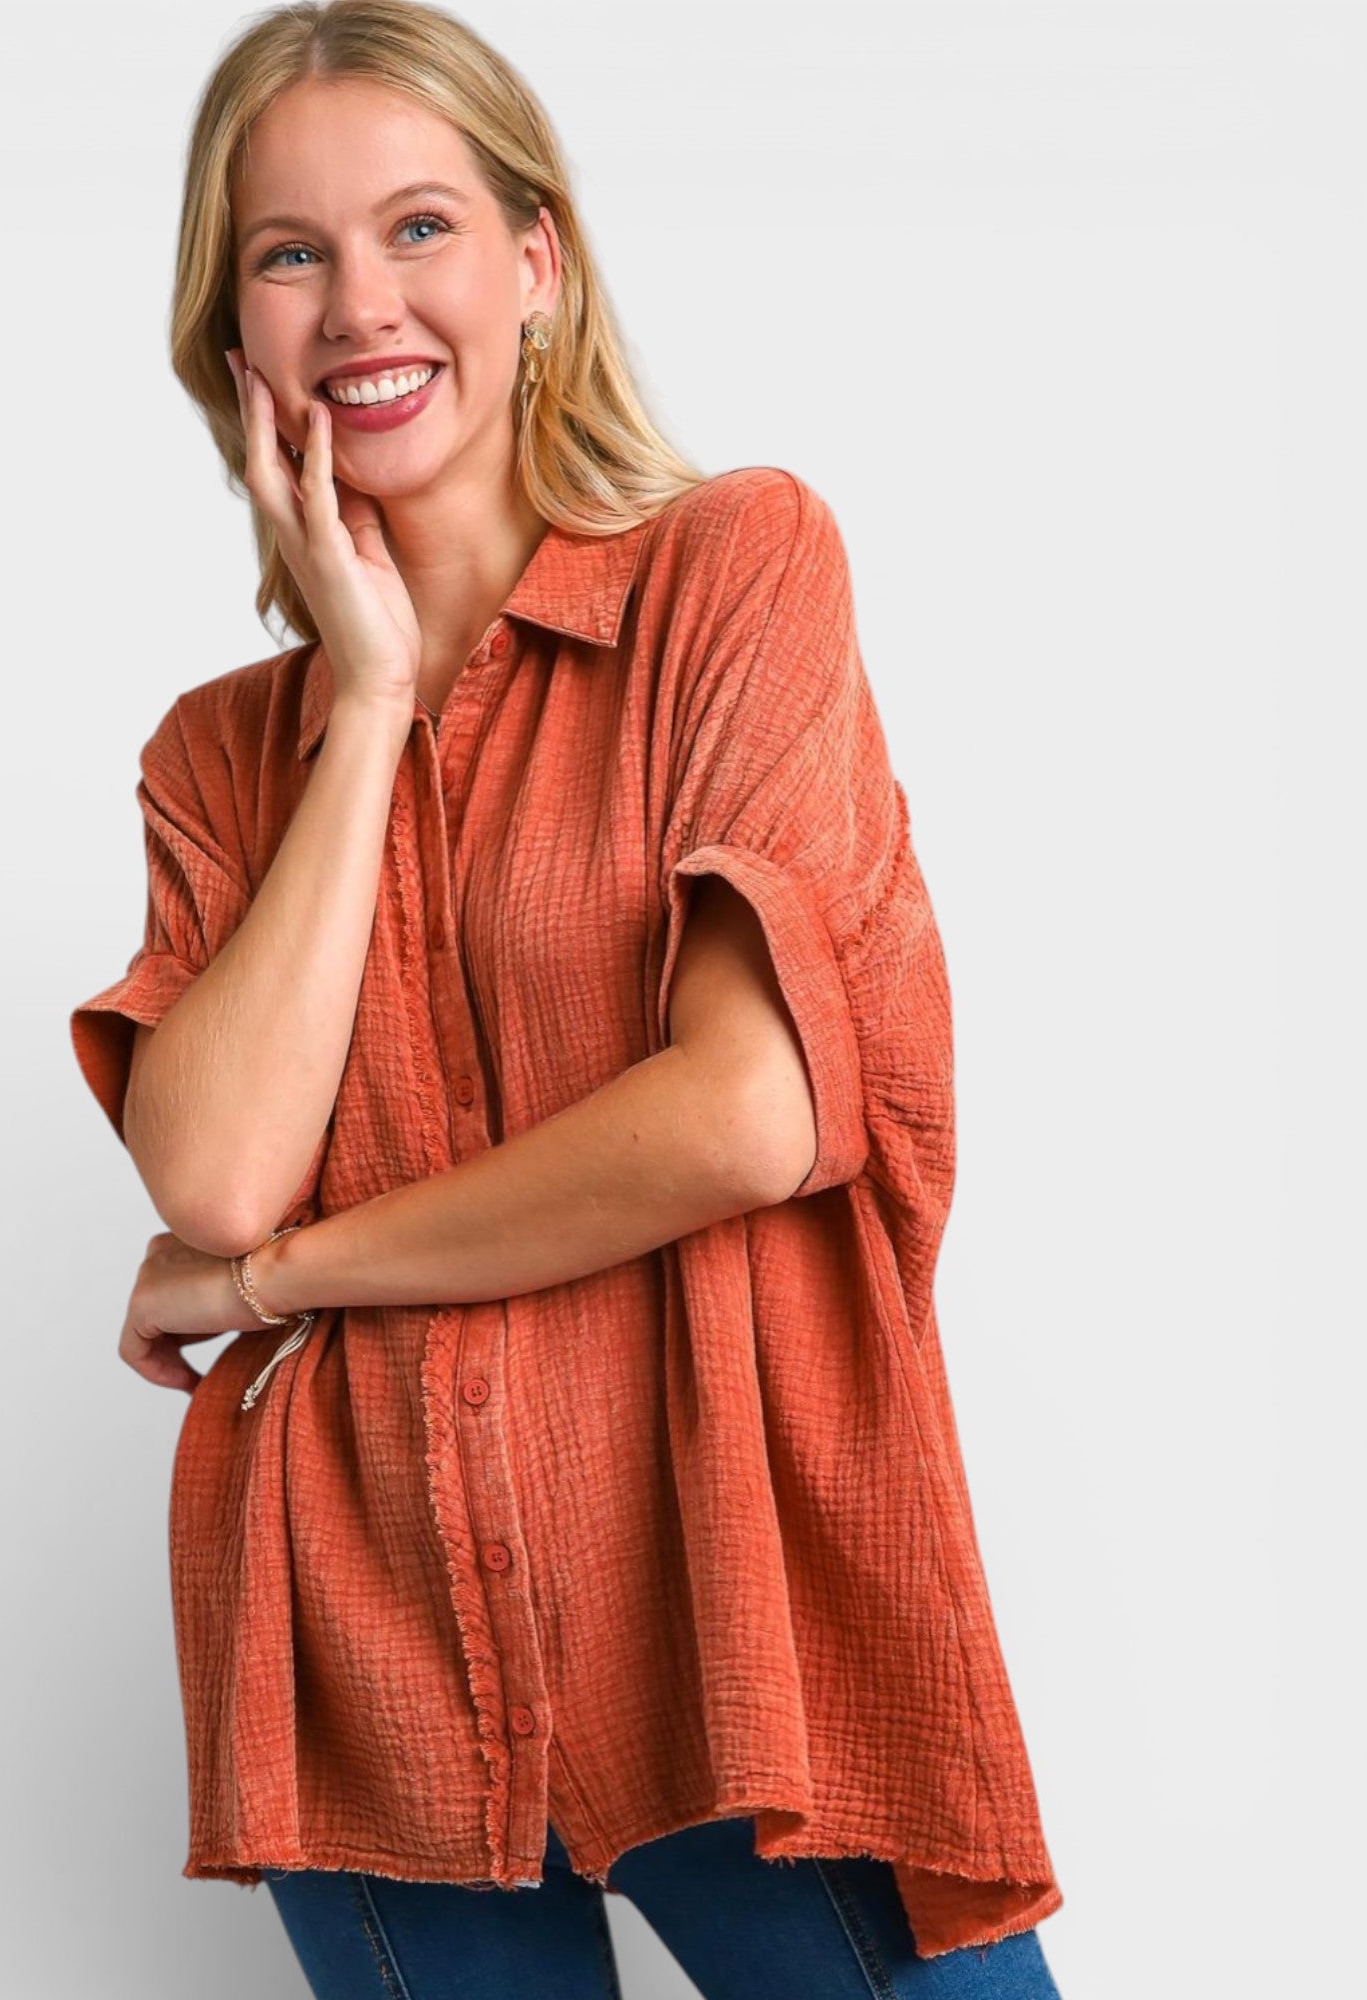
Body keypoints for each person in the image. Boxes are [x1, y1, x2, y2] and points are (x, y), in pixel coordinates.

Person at [68, 4, 1068, 1995]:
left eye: (419, 225)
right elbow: (214, 1161)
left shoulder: (730, 575)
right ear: (234, 338)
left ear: (537, 263)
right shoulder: (216, 759)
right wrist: (360, 695)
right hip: (358, 1638)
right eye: (289, 253)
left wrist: (281, 1280)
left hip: (725, 1607)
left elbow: (744, 1114)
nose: (363, 302)